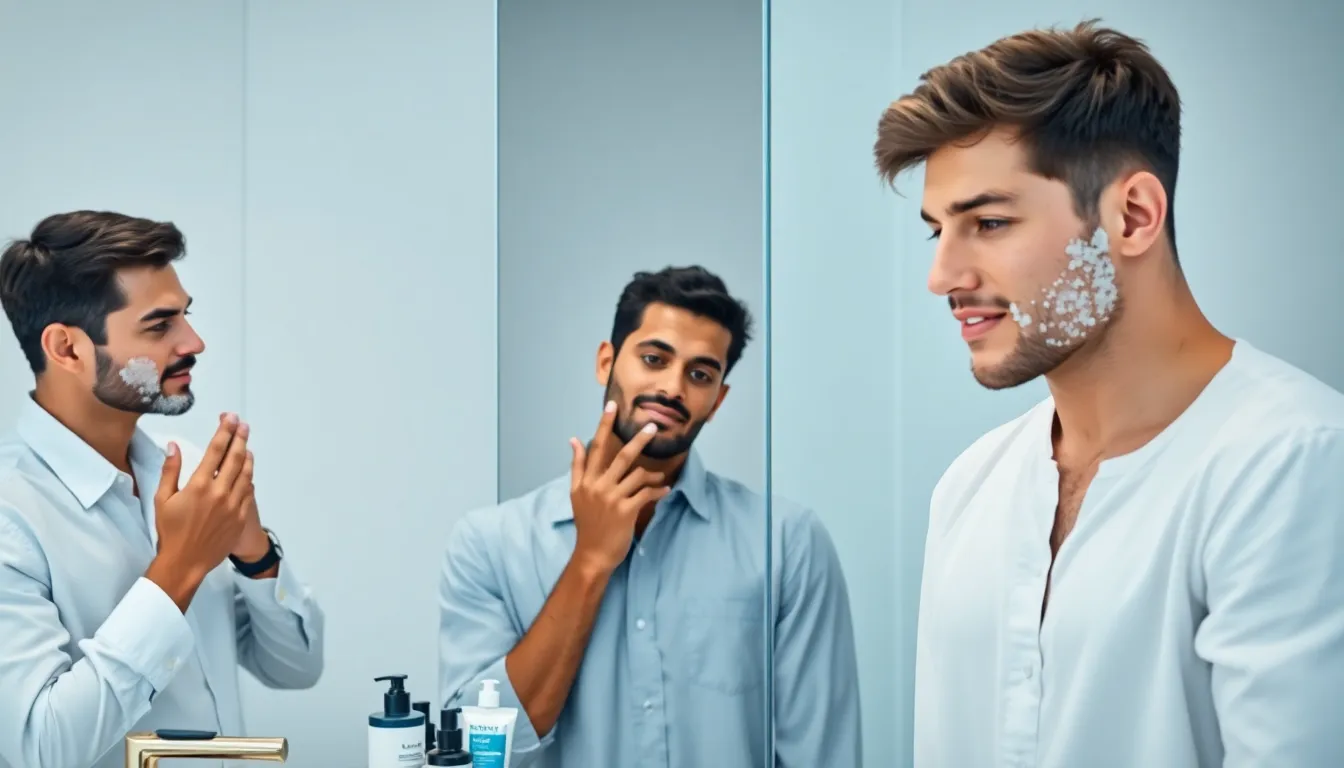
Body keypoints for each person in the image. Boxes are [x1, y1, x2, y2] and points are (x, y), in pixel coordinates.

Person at [873, 19, 1344, 768]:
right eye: (939, 232)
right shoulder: (968, 488)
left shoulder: (1294, 464)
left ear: (1132, 217)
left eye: (989, 223)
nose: (944, 277)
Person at [438, 266, 860, 767]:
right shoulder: (489, 545)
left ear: (718, 400)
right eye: (654, 359)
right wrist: (591, 561)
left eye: (700, 374)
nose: (672, 387)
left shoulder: (787, 542)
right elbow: (474, 754)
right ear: (606, 362)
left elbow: (822, 753)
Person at [0, 211, 325, 768]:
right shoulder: (12, 516)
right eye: (159, 325)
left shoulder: (191, 474)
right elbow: (39, 748)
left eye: (186, 316)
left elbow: (295, 668)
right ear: (67, 349)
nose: (193, 341)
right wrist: (178, 567)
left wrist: (253, 553)